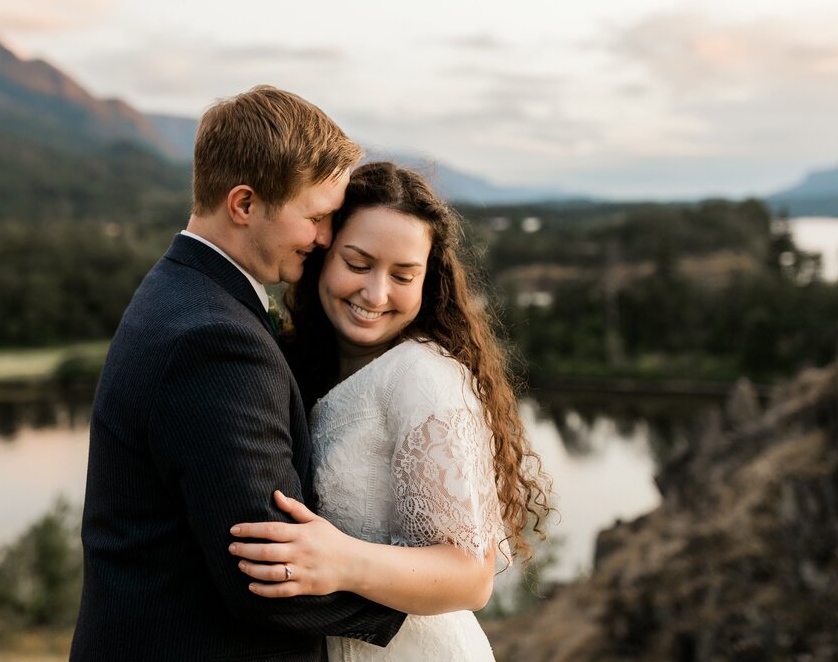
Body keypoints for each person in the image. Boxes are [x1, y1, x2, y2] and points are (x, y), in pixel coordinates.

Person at [69, 87, 406, 661]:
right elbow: (269, 580)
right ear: (244, 204)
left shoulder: (179, 289)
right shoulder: (215, 340)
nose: (325, 239)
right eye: (317, 217)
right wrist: (420, 596)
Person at [228, 162, 552, 661]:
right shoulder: (301, 362)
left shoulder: (423, 376)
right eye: (357, 264)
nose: (375, 295)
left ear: (429, 280)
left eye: (403, 275)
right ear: (322, 254)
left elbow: (472, 576)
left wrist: (343, 562)